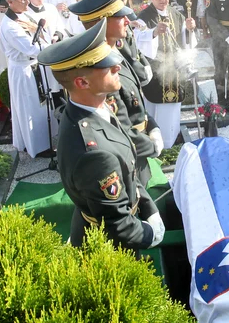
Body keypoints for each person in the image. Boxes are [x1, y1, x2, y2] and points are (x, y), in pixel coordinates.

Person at [37, 20, 164, 252]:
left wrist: (149, 208)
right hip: (109, 249)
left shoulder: (98, 106)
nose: (117, 66)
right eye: (106, 66)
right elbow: (119, 226)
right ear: (82, 82)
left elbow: (128, 169)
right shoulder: (93, 152)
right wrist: (149, 234)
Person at [67, 0, 162, 185]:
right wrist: (151, 146)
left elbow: (133, 100)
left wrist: (151, 125)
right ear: (102, 22)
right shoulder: (98, 71)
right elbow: (116, 128)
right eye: (120, 17)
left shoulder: (115, 52)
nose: (128, 21)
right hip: (125, 160)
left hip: (138, 147)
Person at [135, 0, 197, 149]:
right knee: (153, 111)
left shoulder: (176, 14)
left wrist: (189, 29)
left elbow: (185, 44)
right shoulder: (144, 17)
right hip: (156, 74)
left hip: (174, 74)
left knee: (172, 114)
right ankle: (154, 145)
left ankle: (170, 142)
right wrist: (154, 32)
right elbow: (138, 41)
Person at [0, 0, 58, 157]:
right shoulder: (10, 26)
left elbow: (39, 35)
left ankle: (44, 140)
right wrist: (55, 49)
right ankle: (37, 147)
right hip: (23, 70)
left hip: (33, 67)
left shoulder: (23, 15)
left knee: (40, 106)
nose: (27, 2)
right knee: (29, 109)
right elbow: (31, 48)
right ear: (10, 1)